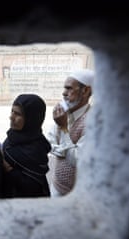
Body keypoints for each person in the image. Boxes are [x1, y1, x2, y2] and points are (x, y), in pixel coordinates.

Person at [46, 68, 94, 196]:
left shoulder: (93, 121)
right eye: (64, 88)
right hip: (57, 186)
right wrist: (65, 150)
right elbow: (49, 142)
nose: (64, 93)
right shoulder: (66, 113)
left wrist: (63, 128)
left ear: (85, 91)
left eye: (69, 88)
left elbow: (76, 159)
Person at [2, 94, 51, 198]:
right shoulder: (14, 135)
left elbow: (32, 186)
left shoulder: (36, 148)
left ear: (31, 119)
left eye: (18, 114)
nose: (11, 117)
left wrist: (7, 167)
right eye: (12, 111)